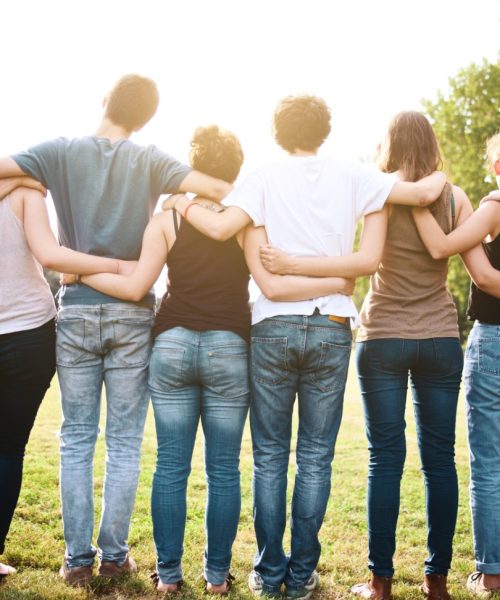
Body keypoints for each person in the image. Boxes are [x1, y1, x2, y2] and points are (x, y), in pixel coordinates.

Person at [163, 95, 447, 599]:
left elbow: (224, 226)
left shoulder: (263, 178)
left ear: (277, 132)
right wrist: (331, 277)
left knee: (270, 456)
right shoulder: (357, 176)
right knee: (315, 457)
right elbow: (421, 196)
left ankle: (269, 575)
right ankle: (301, 577)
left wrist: (181, 199)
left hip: (273, 326)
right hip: (333, 323)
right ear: (326, 129)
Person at [65, 124, 354, 594]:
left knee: (171, 466)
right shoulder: (245, 221)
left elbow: (140, 282)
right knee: (224, 468)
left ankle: (170, 576)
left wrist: (80, 274)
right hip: (229, 347)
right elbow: (271, 285)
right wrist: (334, 284)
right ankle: (217, 577)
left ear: (193, 166)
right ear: (235, 170)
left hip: (172, 344)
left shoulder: (168, 220)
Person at [0, 74, 234, 587]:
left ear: (105, 100)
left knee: (76, 438)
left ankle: (76, 561)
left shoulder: (58, 152)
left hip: (78, 309)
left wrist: (21, 182)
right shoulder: (152, 160)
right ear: (147, 118)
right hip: (132, 314)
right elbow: (218, 187)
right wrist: (181, 200)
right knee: (125, 441)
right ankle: (113, 555)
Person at [0, 184, 133, 584]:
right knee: (8, 449)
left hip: (35, 333)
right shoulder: (24, 194)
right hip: (27, 333)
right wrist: (119, 266)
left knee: (59, 440)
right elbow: (52, 257)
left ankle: (78, 559)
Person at [410, 131, 500, 597]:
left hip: (496, 341)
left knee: (488, 462)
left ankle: (492, 572)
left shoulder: (494, 203)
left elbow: (467, 265)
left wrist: (419, 202)